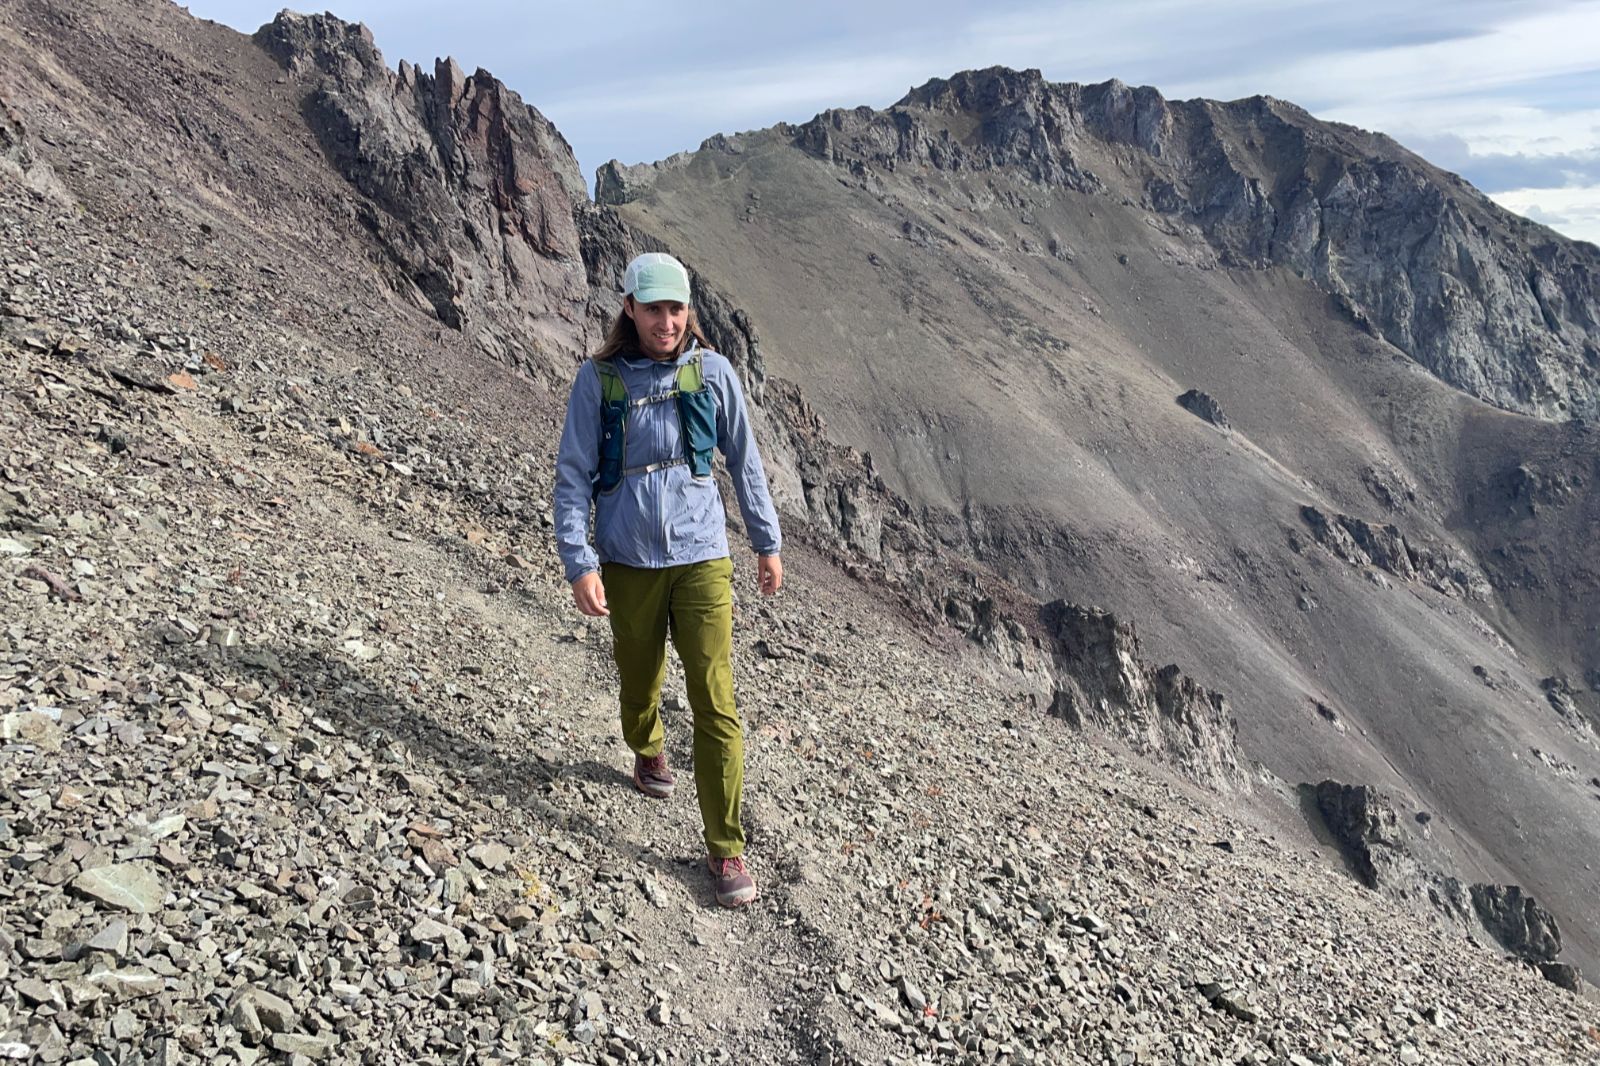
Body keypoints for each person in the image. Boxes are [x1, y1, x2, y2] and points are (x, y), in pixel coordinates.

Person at [552, 252, 783, 908]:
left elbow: (745, 461)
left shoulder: (713, 374)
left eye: (676, 308)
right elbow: (572, 476)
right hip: (626, 560)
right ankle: (647, 746)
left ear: (689, 312)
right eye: (653, 307)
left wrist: (766, 543)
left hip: (702, 557)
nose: (666, 320)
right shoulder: (597, 381)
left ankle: (725, 849)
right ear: (629, 307)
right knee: (638, 677)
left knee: (715, 699)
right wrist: (580, 562)